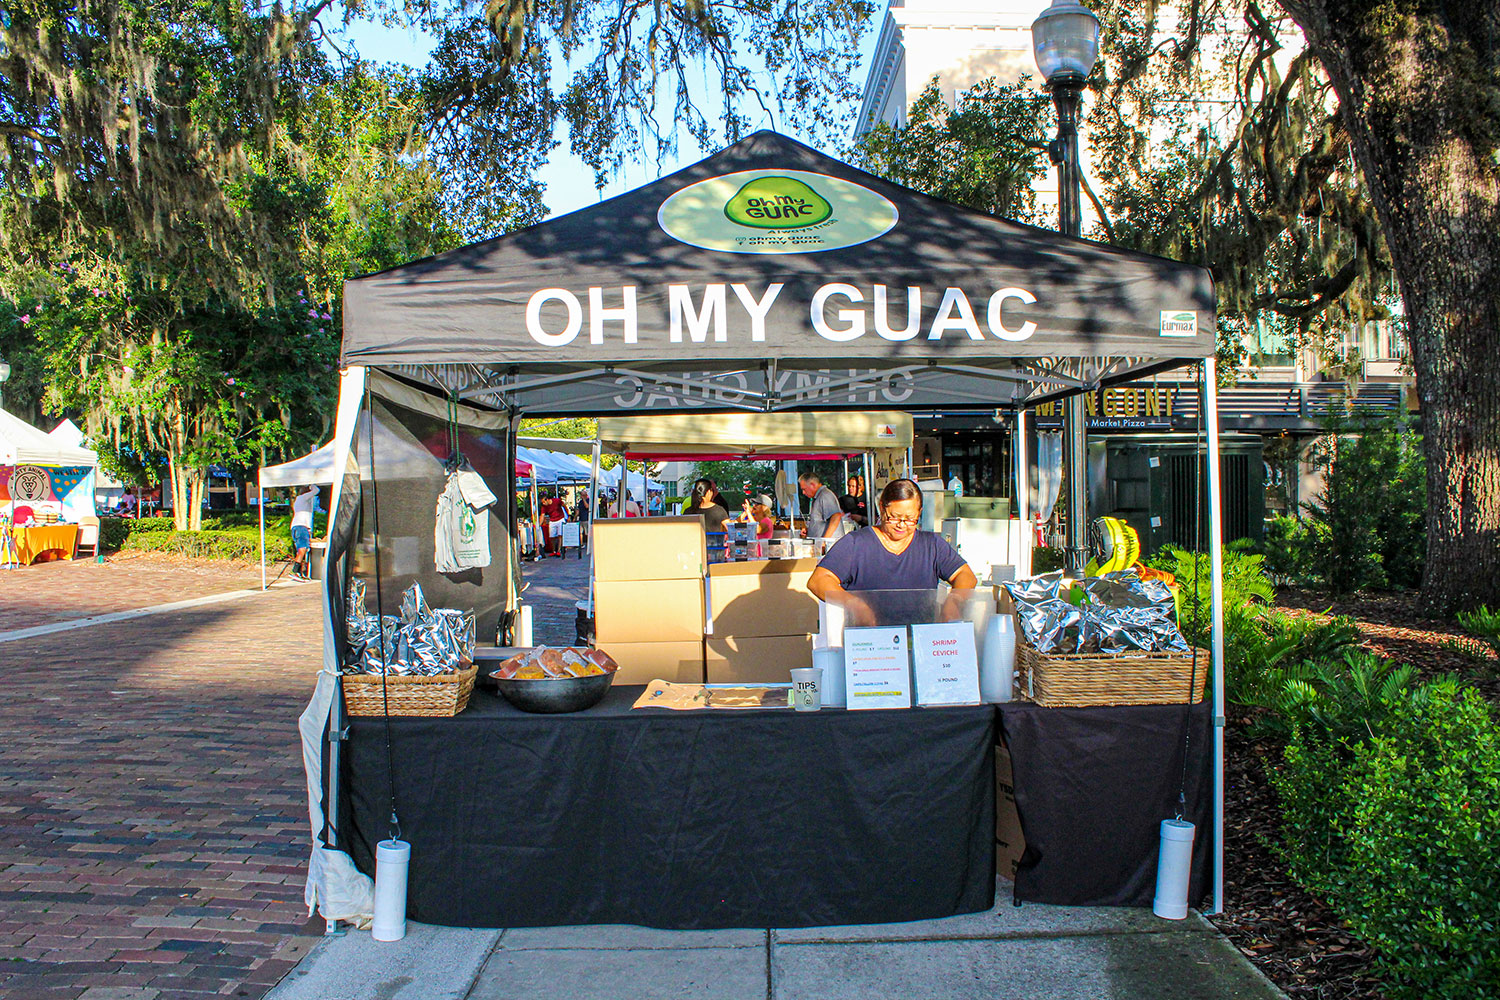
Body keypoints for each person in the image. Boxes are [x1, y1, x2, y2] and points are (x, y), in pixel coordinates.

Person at [807, 478, 978, 622]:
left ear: (920, 512)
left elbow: (965, 575)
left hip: (920, 639)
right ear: (882, 508)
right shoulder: (856, 544)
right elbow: (818, 581)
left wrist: (955, 599)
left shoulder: (932, 544)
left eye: (911, 519)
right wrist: (854, 604)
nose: (901, 525)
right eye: (893, 517)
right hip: (869, 643)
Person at [798, 472, 844, 543]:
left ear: (812, 485)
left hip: (831, 547)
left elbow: (836, 517)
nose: (803, 493)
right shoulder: (817, 497)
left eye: (804, 489)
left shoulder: (825, 495)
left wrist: (824, 542)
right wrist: (810, 530)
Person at [291, 485, 319, 581]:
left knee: (301, 550)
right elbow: (316, 490)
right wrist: (312, 484)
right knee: (302, 550)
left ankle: (299, 572)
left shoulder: (300, 501)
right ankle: (295, 572)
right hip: (301, 526)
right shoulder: (303, 498)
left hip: (298, 526)